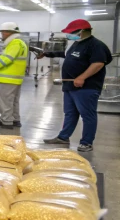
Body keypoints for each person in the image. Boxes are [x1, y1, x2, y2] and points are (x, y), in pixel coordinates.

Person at [37, 19, 113, 152]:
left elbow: (98, 63)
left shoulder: (95, 45)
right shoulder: (76, 44)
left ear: (82, 31)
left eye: (71, 32)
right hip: (70, 86)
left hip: (86, 87)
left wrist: (82, 77)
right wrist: (47, 53)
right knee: (70, 113)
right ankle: (63, 137)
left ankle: (87, 142)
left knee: (87, 115)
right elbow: (66, 55)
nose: (69, 35)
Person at [0, 22, 28, 130]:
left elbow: (6, 58)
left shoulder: (14, 43)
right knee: (12, 101)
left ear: (9, 32)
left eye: (3, 32)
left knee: (4, 101)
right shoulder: (20, 43)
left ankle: (6, 122)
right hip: (15, 77)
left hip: (7, 77)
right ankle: (15, 120)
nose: (2, 34)